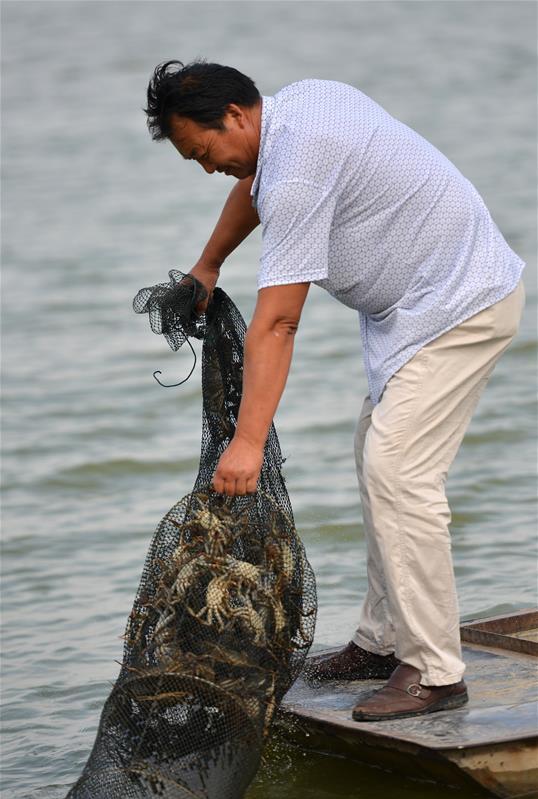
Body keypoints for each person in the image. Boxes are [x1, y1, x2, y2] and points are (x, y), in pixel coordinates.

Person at [144, 60, 525, 721]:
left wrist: (248, 443)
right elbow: (253, 185)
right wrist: (209, 263)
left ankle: (434, 672)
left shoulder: (294, 168)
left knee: (398, 472)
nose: (208, 169)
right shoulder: (294, 113)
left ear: (235, 116)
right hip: (418, 308)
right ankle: (383, 643)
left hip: (461, 301)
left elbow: (279, 321)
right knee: (378, 463)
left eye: (204, 153)